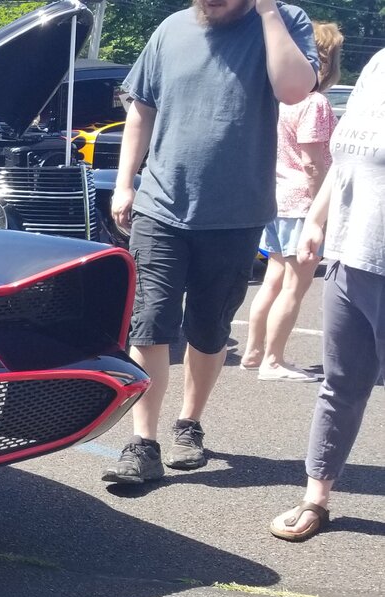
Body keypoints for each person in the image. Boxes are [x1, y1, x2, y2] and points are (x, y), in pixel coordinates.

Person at [101, 0, 319, 485]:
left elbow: (294, 89)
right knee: (150, 322)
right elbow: (141, 111)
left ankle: (189, 424)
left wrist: (267, 15)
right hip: (161, 206)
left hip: (235, 214)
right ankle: (144, 443)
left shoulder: (284, 22)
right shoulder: (171, 28)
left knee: (209, 327)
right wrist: (124, 183)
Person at [270, 47, 385, 540]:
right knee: (340, 385)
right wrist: (317, 220)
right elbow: (344, 160)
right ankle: (316, 498)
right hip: (349, 253)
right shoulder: (378, 66)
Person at [242, 22, 345, 383]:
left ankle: (255, 352)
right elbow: (313, 162)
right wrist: (323, 209)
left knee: (274, 279)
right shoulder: (314, 103)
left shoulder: (278, 98)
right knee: (295, 286)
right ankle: (273, 360)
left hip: (274, 198)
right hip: (302, 202)